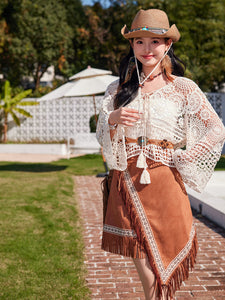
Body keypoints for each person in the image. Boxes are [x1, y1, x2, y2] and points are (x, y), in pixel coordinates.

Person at [96, 8, 225, 300]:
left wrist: (186, 157)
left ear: (168, 44)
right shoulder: (116, 88)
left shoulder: (183, 88)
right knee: (145, 264)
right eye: (139, 41)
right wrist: (113, 118)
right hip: (126, 183)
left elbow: (217, 129)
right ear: (132, 46)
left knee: (164, 258)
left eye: (154, 41)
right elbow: (103, 134)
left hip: (165, 182)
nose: (146, 48)